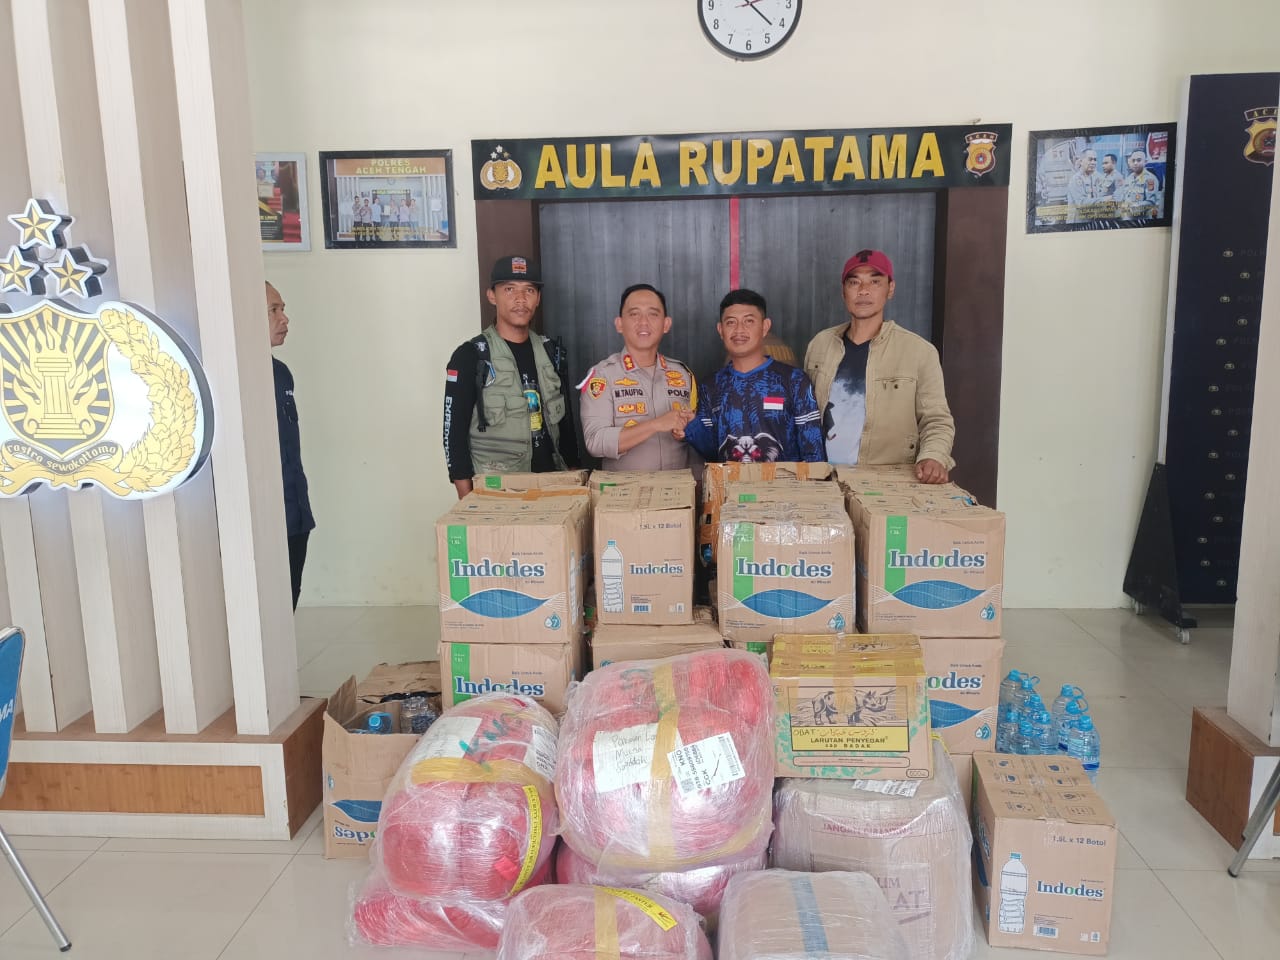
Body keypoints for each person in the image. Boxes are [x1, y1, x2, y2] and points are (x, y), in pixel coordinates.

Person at [803, 250, 955, 482]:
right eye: (854, 282)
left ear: (890, 289)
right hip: (823, 479)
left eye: (875, 282)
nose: (863, 290)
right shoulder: (821, 344)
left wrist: (933, 457)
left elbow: (936, 420)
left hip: (886, 482)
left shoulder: (919, 351)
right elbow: (804, 415)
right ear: (843, 291)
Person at [443, 256, 579, 497]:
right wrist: (468, 500)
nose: (520, 299)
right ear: (491, 296)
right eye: (509, 289)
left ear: (538, 298)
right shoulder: (470, 356)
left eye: (529, 290)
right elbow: (453, 435)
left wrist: (575, 480)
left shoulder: (550, 352)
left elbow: (566, 427)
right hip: (498, 488)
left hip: (552, 484)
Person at [678, 288, 824, 463]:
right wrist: (691, 426)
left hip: (783, 481)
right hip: (729, 481)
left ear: (765, 327)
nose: (739, 330)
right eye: (731, 322)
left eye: (749, 321)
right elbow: (712, 452)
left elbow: (813, 452)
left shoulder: (794, 381)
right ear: (720, 329)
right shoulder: (710, 387)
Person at [579, 283, 695, 471]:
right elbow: (595, 441)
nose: (643, 322)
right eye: (634, 314)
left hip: (678, 487)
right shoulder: (602, 375)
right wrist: (655, 425)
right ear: (619, 324)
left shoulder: (682, 374)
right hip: (625, 489)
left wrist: (688, 429)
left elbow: (694, 444)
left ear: (666, 324)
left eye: (653, 314)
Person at [267, 282, 315, 610]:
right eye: (274, 310)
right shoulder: (230, 375)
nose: (284, 318)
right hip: (264, 518)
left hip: (295, 513)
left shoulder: (281, 374)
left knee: (288, 603)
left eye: (282, 309)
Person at [1119, 149, 1162, 219]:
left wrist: (1131, 207)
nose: (1135, 163)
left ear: (1145, 162)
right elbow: (1123, 197)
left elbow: (1151, 202)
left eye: (1139, 160)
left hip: (1141, 220)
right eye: (1133, 160)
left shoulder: (1150, 179)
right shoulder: (1129, 178)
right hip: (1126, 218)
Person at [1065, 150, 1104, 222]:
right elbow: (1081, 204)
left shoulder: (1098, 178)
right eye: (1090, 159)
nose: (1093, 162)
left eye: (1095, 160)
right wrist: (1104, 200)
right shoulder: (1075, 179)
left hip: (1092, 222)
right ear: (1081, 161)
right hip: (1077, 223)